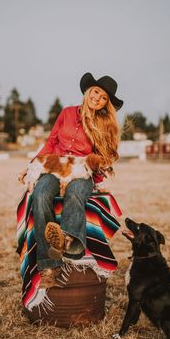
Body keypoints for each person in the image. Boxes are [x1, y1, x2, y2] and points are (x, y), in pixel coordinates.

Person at [18, 72, 123, 288]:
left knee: (76, 191)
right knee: (41, 193)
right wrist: (31, 167)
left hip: (82, 172)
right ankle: (49, 266)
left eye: (104, 97)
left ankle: (65, 240)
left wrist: (98, 170)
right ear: (87, 91)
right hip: (55, 167)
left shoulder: (103, 124)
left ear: (106, 104)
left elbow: (103, 158)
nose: (98, 98)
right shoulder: (66, 113)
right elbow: (50, 143)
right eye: (96, 92)